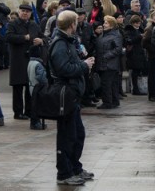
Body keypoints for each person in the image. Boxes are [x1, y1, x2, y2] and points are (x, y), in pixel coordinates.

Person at [49, 10, 95, 186]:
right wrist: (84, 66)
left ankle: (75, 167)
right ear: (72, 25)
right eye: (76, 22)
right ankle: (64, 172)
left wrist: (84, 63)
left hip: (73, 95)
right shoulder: (60, 44)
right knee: (67, 136)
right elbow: (63, 69)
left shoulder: (67, 42)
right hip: (65, 95)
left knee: (77, 134)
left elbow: (71, 64)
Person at [6, 4, 46, 121]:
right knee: (18, 87)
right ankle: (18, 112)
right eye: (23, 11)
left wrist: (41, 41)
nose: (25, 13)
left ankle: (29, 111)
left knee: (30, 86)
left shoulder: (33, 24)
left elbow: (44, 37)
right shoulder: (13, 24)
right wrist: (24, 38)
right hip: (18, 59)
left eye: (27, 12)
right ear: (19, 12)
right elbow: (8, 37)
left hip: (31, 60)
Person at [95, 16, 124, 109]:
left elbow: (118, 49)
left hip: (110, 63)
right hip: (103, 63)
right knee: (111, 83)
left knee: (107, 83)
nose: (104, 24)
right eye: (104, 22)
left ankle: (107, 102)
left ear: (111, 25)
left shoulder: (116, 35)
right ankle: (114, 101)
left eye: (106, 23)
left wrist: (107, 55)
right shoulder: (103, 34)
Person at [124, 15, 148, 95]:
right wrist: (139, 37)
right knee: (135, 71)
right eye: (136, 23)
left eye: (139, 23)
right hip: (133, 53)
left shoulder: (141, 30)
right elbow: (129, 41)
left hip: (140, 52)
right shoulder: (129, 30)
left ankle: (139, 88)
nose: (138, 24)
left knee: (139, 71)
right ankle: (135, 89)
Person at [27, 45, 47, 130]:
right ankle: (36, 123)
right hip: (37, 88)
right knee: (37, 106)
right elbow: (41, 78)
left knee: (33, 105)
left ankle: (34, 122)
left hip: (31, 86)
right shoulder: (38, 64)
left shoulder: (30, 63)